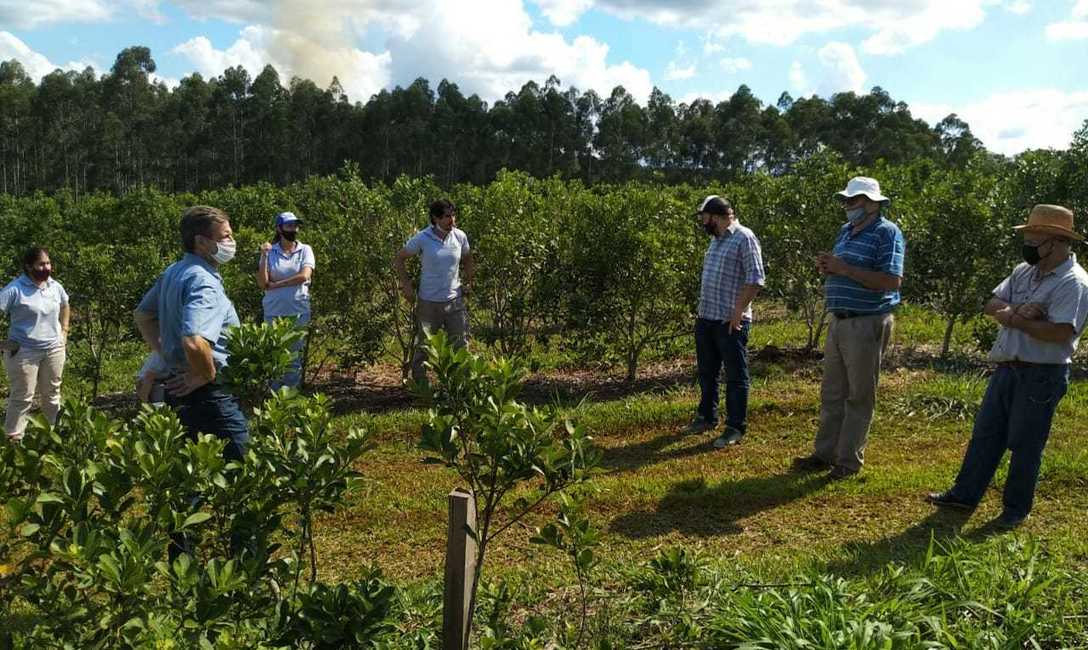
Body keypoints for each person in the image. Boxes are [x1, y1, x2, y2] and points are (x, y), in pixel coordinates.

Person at [928, 204, 1088, 528]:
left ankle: (1016, 510)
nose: (1027, 242)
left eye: (1033, 236)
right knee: (986, 434)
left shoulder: (1074, 283)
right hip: (1008, 368)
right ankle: (964, 494)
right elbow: (991, 304)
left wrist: (1012, 318)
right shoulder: (1023, 271)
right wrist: (1021, 313)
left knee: (1025, 442)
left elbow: (1059, 333)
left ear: (1055, 241)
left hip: (1042, 374)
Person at [792, 177, 905, 480]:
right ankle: (824, 453)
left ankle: (848, 461)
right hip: (839, 320)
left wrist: (844, 269)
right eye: (846, 200)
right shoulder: (847, 231)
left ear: (871, 203)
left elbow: (891, 281)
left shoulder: (887, 233)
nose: (846, 206)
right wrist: (830, 268)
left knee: (859, 395)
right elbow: (846, 270)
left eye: (852, 201)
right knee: (832, 392)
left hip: (865, 321)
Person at [134, 206, 248, 460]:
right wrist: (206, 374)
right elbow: (195, 342)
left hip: (180, 389)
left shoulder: (175, 271)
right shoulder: (203, 281)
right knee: (241, 469)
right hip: (210, 398)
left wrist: (166, 354)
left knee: (194, 473)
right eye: (225, 237)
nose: (231, 243)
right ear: (201, 242)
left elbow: (143, 315)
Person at [683, 196, 765, 448]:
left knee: (735, 376)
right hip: (707, 318)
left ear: (715, 216)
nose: (702, 222)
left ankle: (735, 427)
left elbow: (756, 278)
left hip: (730, 322)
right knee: (707, 373)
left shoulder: (744, 237)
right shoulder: (716, 240)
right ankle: (707, 416)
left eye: (703, 217)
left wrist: (738, 311)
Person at [393, 199, 475, 383]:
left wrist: (470, 282)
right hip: (428, 302)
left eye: (453, 215)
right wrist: (405, 284)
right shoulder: (423, 238)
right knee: (425, 347)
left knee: (460, 345)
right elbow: (400, 258)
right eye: (447, 216)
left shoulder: (460, 236)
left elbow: (468, 258)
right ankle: (422, 388)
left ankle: (461, 387)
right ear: (435, 218)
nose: (452, 220)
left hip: (454, 301)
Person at [1, 247, 70, 441]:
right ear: (28, 266)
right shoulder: (15, 289)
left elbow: (65, 305)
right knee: (23, 396)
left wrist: (64, 331)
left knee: (52, 393)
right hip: (24, 351)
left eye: (48, 263)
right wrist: (4, 344)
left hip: (54, 349)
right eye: (41, 264)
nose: (46, 267)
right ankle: (13, 440)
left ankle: (51, 435)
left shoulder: (54, 286)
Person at [257, 211, 315, 389]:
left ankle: (290, 397)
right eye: (289, 226)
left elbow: (304, 276)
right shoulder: (270, 251)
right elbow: (263, 283)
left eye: (295, 226)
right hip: (274, 311)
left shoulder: (305, 250)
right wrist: (264, 255)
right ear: (279, 228)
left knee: (294, 358)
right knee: (274, 356)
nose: (294, 229)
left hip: (298, 310)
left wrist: (277, 284)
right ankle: (274, 398)